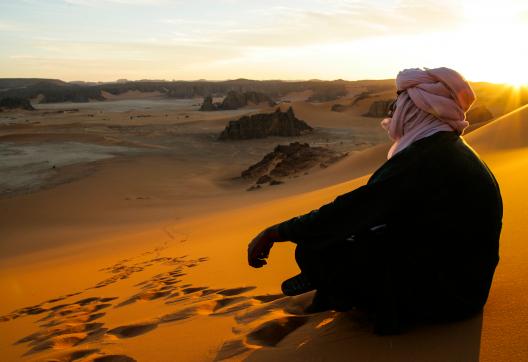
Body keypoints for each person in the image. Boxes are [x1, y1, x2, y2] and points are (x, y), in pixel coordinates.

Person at [247, 67, 503, 335]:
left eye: (399, 104)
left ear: (417, 110)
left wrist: (277, 232)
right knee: (355, 234)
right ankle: (327, 285)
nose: (392, 111)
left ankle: (340, 296)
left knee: (315, 248)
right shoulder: (448, 147)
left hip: (444, 299)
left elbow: (349, 212)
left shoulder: (424, 158)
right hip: (465, 288)